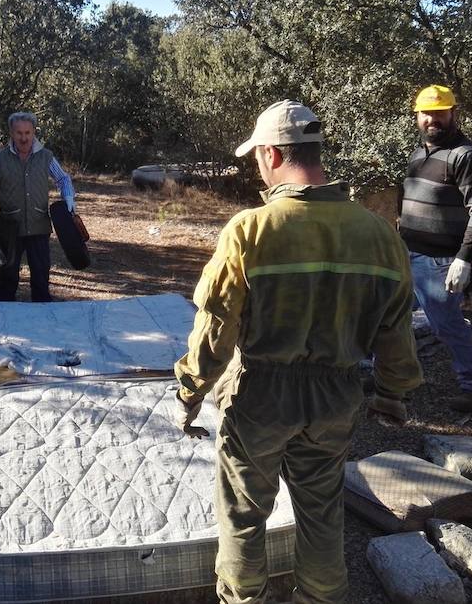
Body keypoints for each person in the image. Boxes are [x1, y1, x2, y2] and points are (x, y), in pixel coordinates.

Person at [174, 100, 423, 603]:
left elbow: (216, 328)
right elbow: (396, 330)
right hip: (336, 395)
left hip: (262, 394)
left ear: (271, 153)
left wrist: (191, 389)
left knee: (245, 514)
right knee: (322, 510)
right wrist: (393, 393)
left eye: (256, 159)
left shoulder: (250, 230)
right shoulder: (379, 235)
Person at [399, 85, 472, 412]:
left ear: (454, 113)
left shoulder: (466, 156)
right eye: (426, 113)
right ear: (417, 116)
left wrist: (464, 259)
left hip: (440, 261)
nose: (433, 119)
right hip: (406, 255)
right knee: (390, 316)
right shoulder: (417, 154)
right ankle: (392, 376)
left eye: (440, 112)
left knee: (447, 326)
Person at [0, 111, 75, 302]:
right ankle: (2, 323)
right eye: (19, 133)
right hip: (10, 228)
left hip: (39, 226)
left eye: (28, 133)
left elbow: (62, 178)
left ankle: (42, 322)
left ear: (34, 132)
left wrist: (68, 197)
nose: (24, 138)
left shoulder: (45, 156)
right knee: (7, 279)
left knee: (41, 279)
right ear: (11, 133)